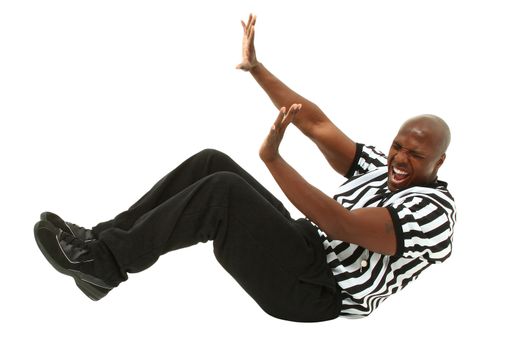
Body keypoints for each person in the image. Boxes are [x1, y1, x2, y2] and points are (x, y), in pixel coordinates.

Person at [34, 14, 456, 321]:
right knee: (211, 163)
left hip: (315, 289)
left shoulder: (433, 214)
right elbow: (316, 123)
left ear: (439, 161)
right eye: (398, 147)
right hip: (304, 247)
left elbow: (341, 224)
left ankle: (106, 264)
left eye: (414, 156)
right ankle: (100, 243)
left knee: (223, 193)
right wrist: (258, 70)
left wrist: (273, 159)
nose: (399, 159)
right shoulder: (382, 169)